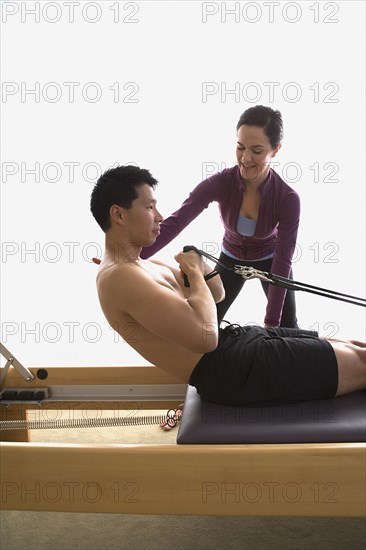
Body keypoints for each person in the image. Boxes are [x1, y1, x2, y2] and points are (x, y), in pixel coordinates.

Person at [90, 165, 366, 407]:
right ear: (119, 214)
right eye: (149, 207)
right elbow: (205, 337)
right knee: (363, 363)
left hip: (237, 342)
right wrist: (196, 273)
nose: (160, 216)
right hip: (230, 371)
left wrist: (202, 269)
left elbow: (217, 294)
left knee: (356, 347)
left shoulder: (146, 266)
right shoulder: (118, 276)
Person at [140, 105, 300, 329]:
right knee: (206, 327)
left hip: (272, 261)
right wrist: (131, 255)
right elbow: (178, 221)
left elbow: (284, 258)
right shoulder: (221, 183)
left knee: (288, 329)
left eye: (256, 150)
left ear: (275, 150)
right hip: (231, 257)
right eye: (240, 147)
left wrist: (272, 323)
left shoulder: (288, 198)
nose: (245, 158)